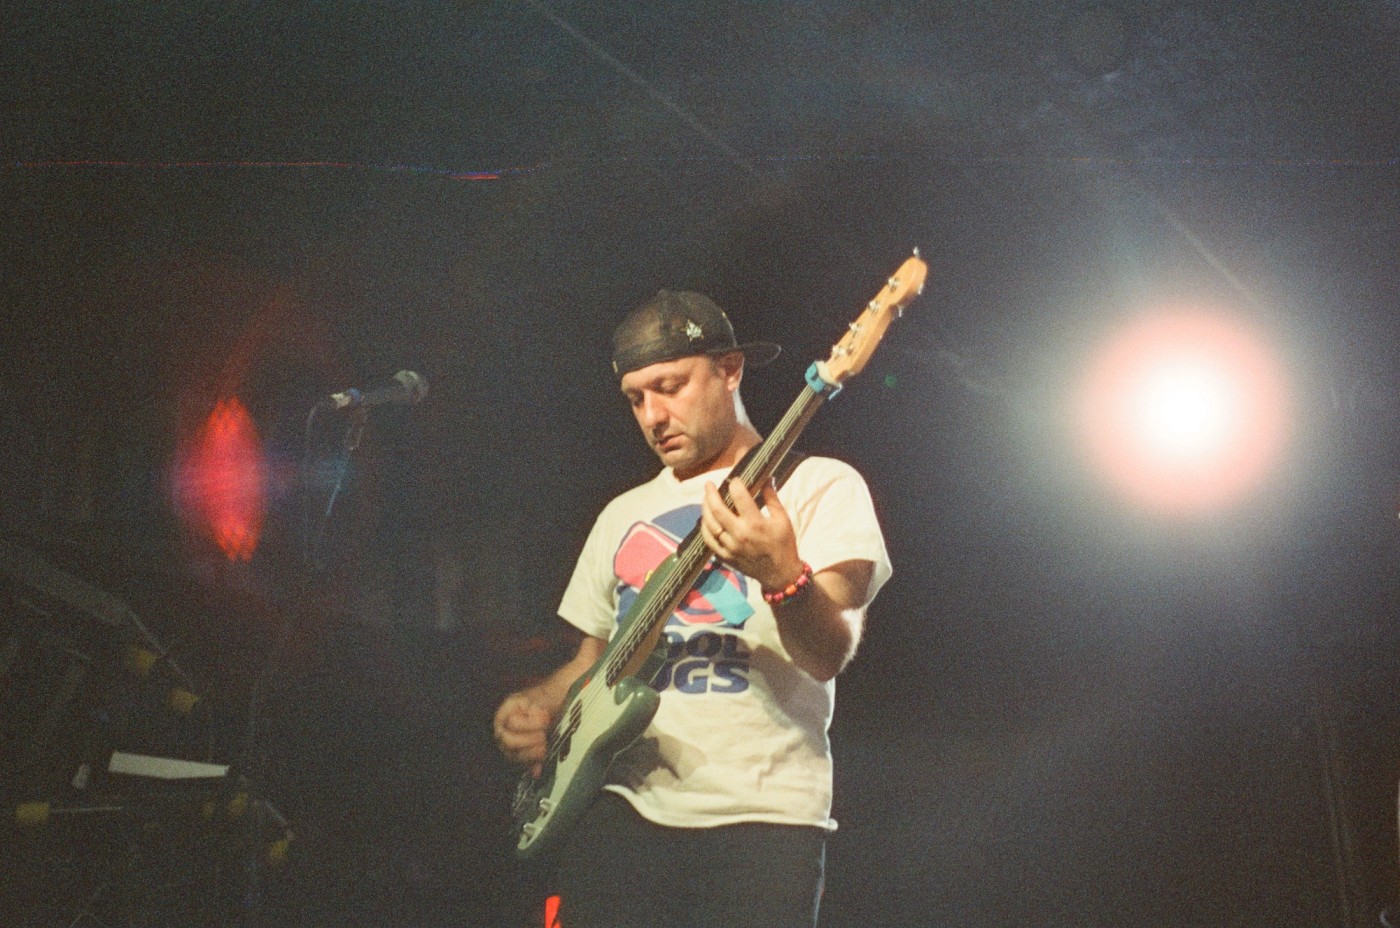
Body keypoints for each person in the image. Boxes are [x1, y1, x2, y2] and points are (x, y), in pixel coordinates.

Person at [493, 289, 891, 928]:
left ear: (730, 369)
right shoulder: (620, 514)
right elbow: (592, 662)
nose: (653, 415)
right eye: (635, 398)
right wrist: (538, 705)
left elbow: (827, 654)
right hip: (620, 810)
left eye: (670, 386)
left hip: (762, 819)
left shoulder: (820, 485)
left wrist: (784, 578)